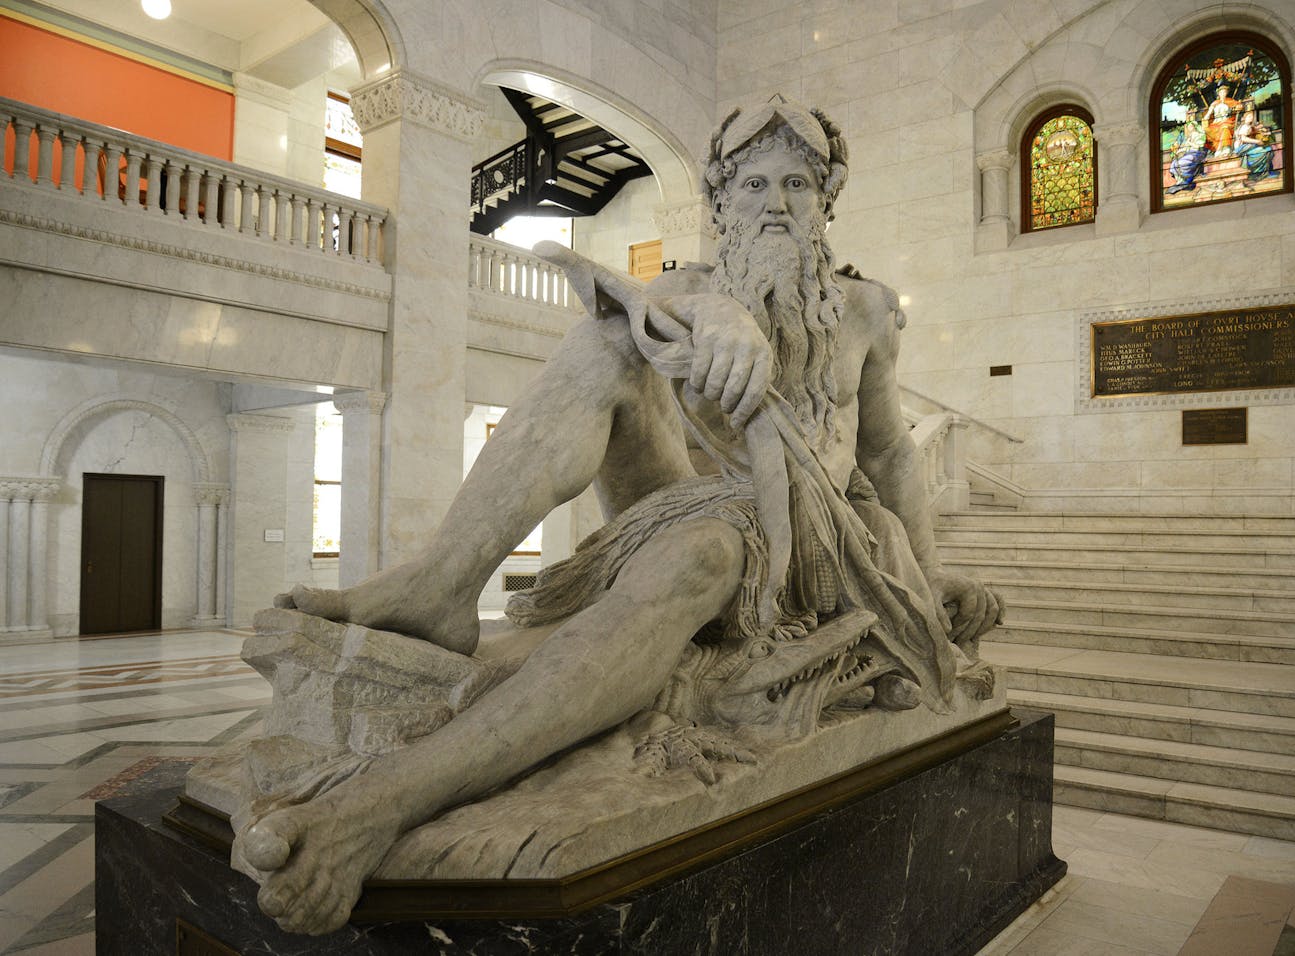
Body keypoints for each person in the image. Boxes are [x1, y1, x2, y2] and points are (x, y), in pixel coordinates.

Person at [237, 97, 1002, 936]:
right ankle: (440, 584)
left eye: (796, 184)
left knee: (702, 556)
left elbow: (890, 456)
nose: (774, 203)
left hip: (815, 547)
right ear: (721, 206)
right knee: (610, 341)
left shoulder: (865, 312)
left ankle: (386, 801)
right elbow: (658, 301)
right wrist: (716, 316)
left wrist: (924, 582)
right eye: (752, 184)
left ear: (827, 201)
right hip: (698, 501)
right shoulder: (690, 291)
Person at [1166, 109, 1208, 195]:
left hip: (1197, 153)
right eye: (1188, 127)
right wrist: (1178, 152)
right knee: (1174, 163)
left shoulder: (1200, 135)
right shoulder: (1188, 137)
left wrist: (1189, 143)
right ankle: (1180, 181)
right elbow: (1185, 148)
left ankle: (1186, 181)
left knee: (1182, 162)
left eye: (1191, 127)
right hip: (1189, 153)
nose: (1189, 128)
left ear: (1194, 127)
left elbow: (1198, 146)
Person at [1233, 107, 1277, 188]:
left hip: (1251, 146)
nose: (1251, 118)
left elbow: (1255, 130)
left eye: (1252, 116)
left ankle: (1268, 171)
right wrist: (1257, 141)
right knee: (1266, 151)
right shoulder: (1244, 127)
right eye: (1249, 116)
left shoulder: (1249, 126)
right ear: (1244, 118)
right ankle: (1257, 173)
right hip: (1244, 148)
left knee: (1268, 149)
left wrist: (1265, 132)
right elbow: (1244, 139)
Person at [1202, 84, 1242, 158]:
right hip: (1216, 122)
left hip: (1227, 120)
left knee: (1225, 128)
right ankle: (1218, 149)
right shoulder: (1215, 103)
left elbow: (1239, 106)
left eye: (1225, 92)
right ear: (1219, 93)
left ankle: (1225, 148)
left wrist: (1238, 107)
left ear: (1226, 93)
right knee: (1210, 130)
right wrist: (1206, 116)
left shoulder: (1230, 101)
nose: (1223, 93)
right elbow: (1209, 113)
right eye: (1221, 92)